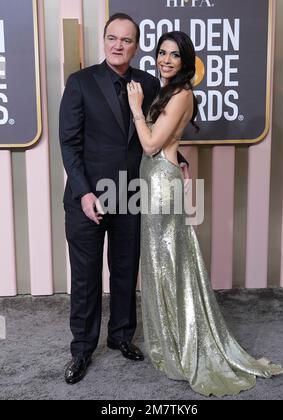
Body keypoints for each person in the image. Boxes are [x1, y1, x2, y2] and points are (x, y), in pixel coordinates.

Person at [127, 31, 283, 397]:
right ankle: (173, 340)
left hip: (162, 186)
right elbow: (165, 141)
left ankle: (190, 343)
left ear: (185, 62)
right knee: (159, 261)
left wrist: (137, 109)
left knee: (171, 262)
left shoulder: (182, 94)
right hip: (153, 180)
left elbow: (152, 143)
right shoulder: (168, 92)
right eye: (162, 53)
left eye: (174, 55)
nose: (166, 59)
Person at [59, 14, 188, 385]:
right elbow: (69, 143)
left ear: (136, 46)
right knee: (85, 278)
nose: (119, 45)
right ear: (104, 41)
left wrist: (179, 158)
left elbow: (160, 132)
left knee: (125, 269)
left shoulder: (148, 83)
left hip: (132, 193)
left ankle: (121, 336)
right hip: (88, 197)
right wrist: (84, 192)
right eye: (112, 38)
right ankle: (82, 349)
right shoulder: (80, 82)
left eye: (127, 40)